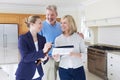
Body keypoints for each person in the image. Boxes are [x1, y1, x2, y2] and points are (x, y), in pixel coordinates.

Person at [15, 15, 52, 80]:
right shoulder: (23, 38)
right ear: (32, 24)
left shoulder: (42, 39)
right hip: (24, 75)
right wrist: (43, 51)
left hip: (38, 74)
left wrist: (45, 58)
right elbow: (25, 57)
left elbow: (42, 56)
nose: (42, 25)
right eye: (39, 23)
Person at [53, 15, 86, 80]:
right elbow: (58, 59)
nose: (62, 25)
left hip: (78, 69)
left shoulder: (79, 37)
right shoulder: (58, 39)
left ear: (71, 24)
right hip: (63, 69)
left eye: (65, 23)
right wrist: (56, 58)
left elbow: (85, 55)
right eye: (61, 23)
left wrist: (74, 54)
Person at [39, 5, 62, 80]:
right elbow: (38, 44)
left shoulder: (60, 25)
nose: (49, 17)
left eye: (52, 14)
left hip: (61, 56)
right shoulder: (41, 26)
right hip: (49, 57)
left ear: (56, 15)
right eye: (48, 14)